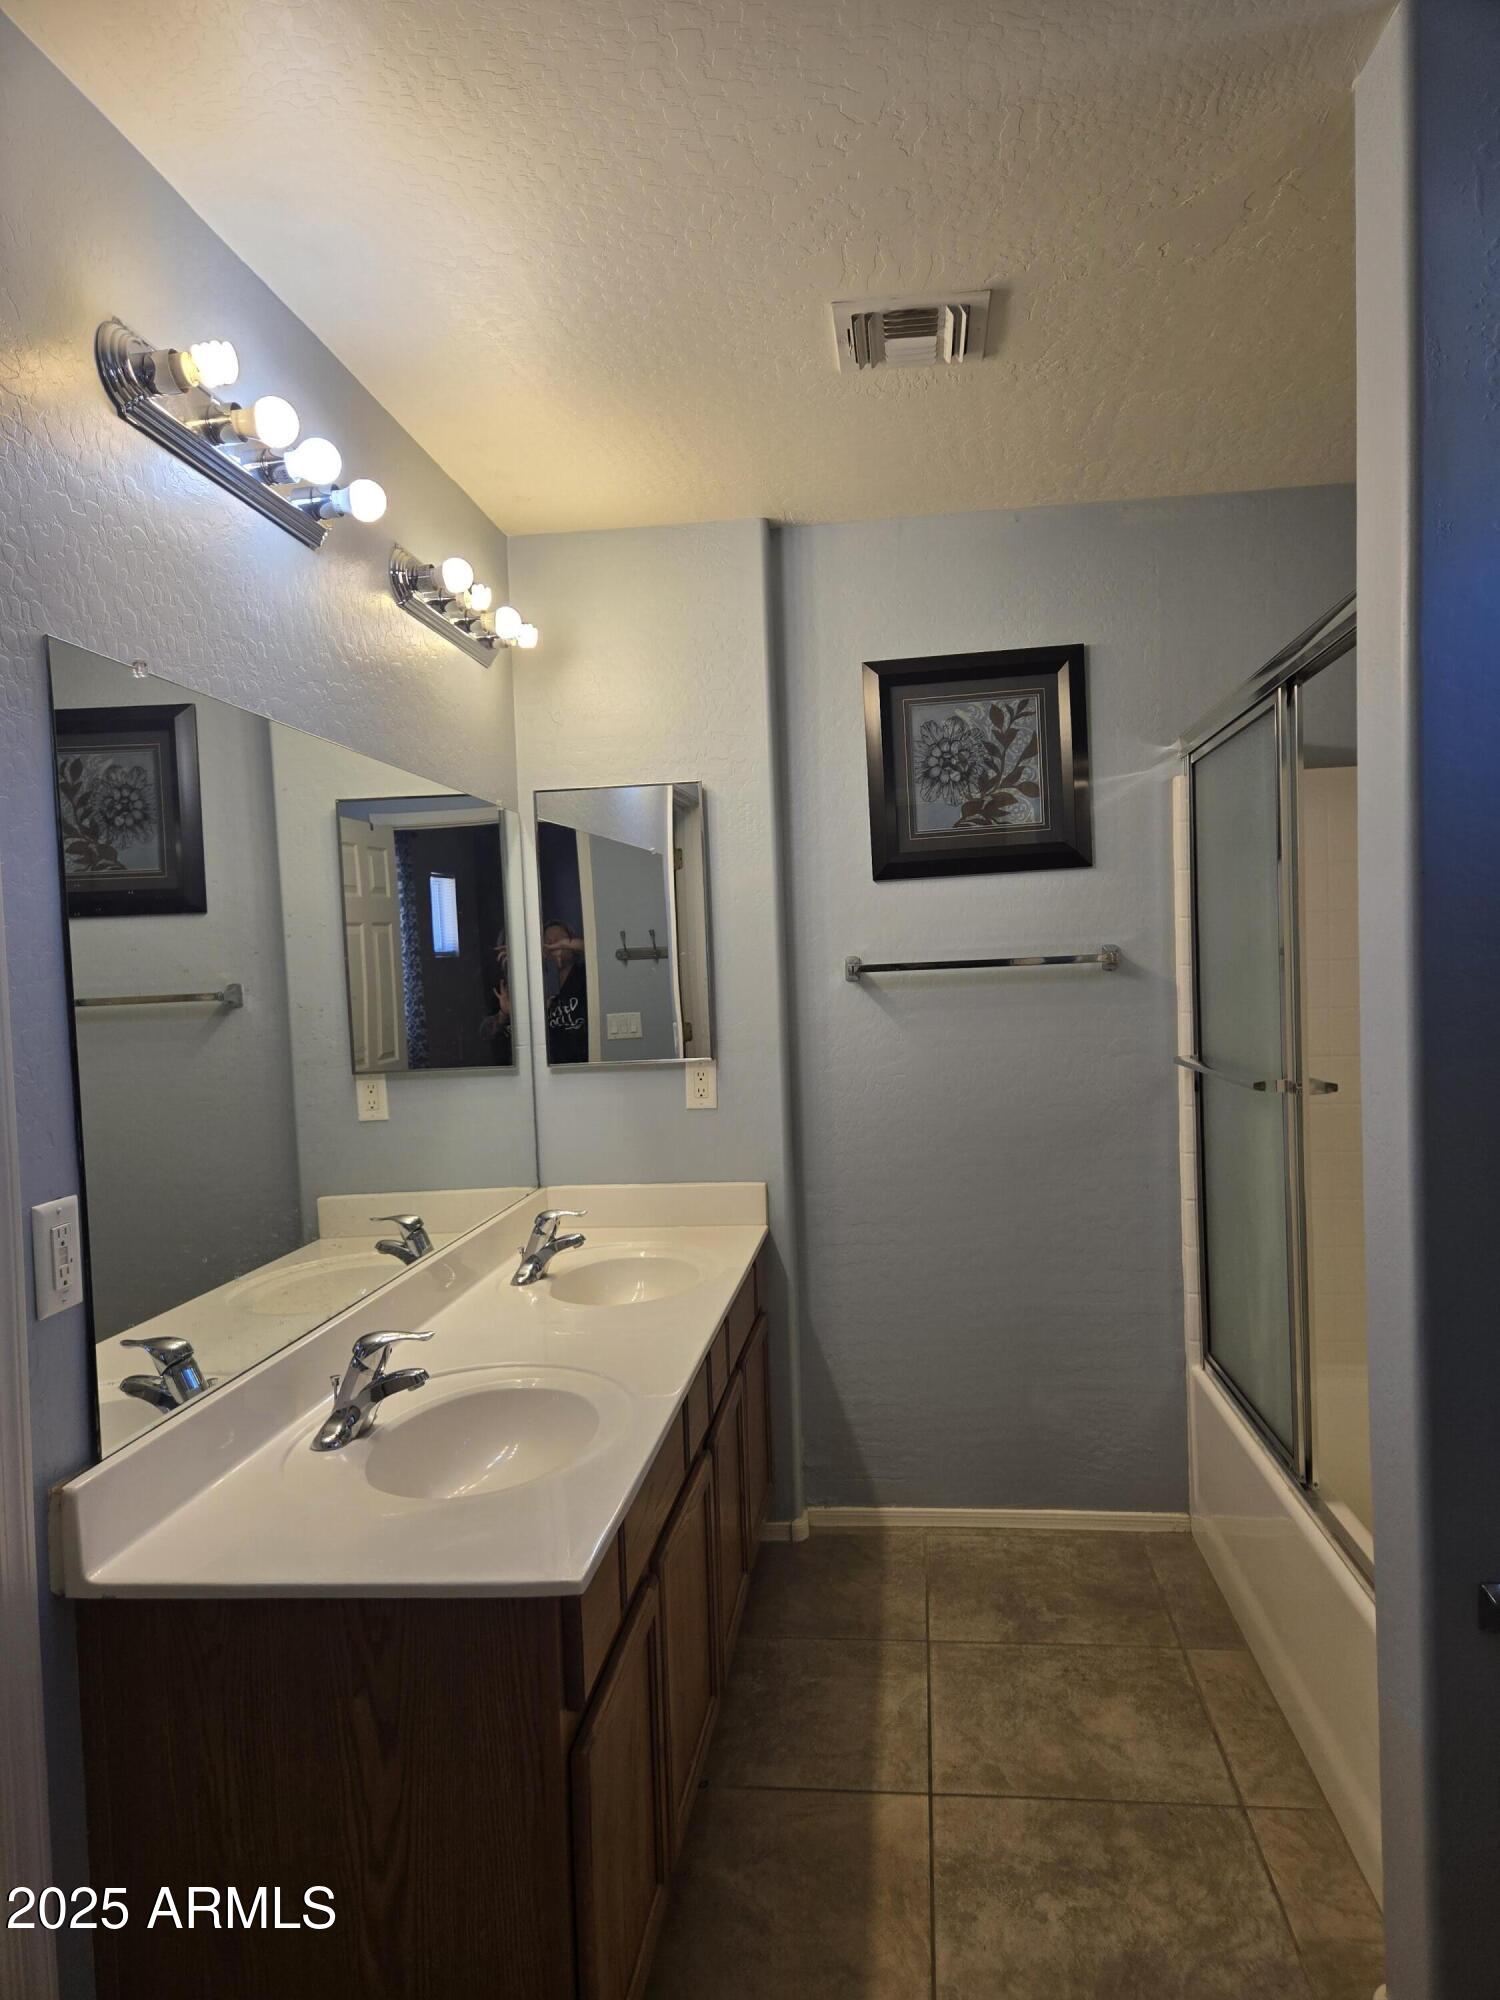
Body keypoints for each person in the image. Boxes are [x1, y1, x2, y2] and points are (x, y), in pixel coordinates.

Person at [542, 918, 589, 1064]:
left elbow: (596, 949)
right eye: (549, 942)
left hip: (583, 1061)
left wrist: (563, 945)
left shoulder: (585, 973)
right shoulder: (542, 982)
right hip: (553, 1067)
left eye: (559, 940)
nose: (554, 945)